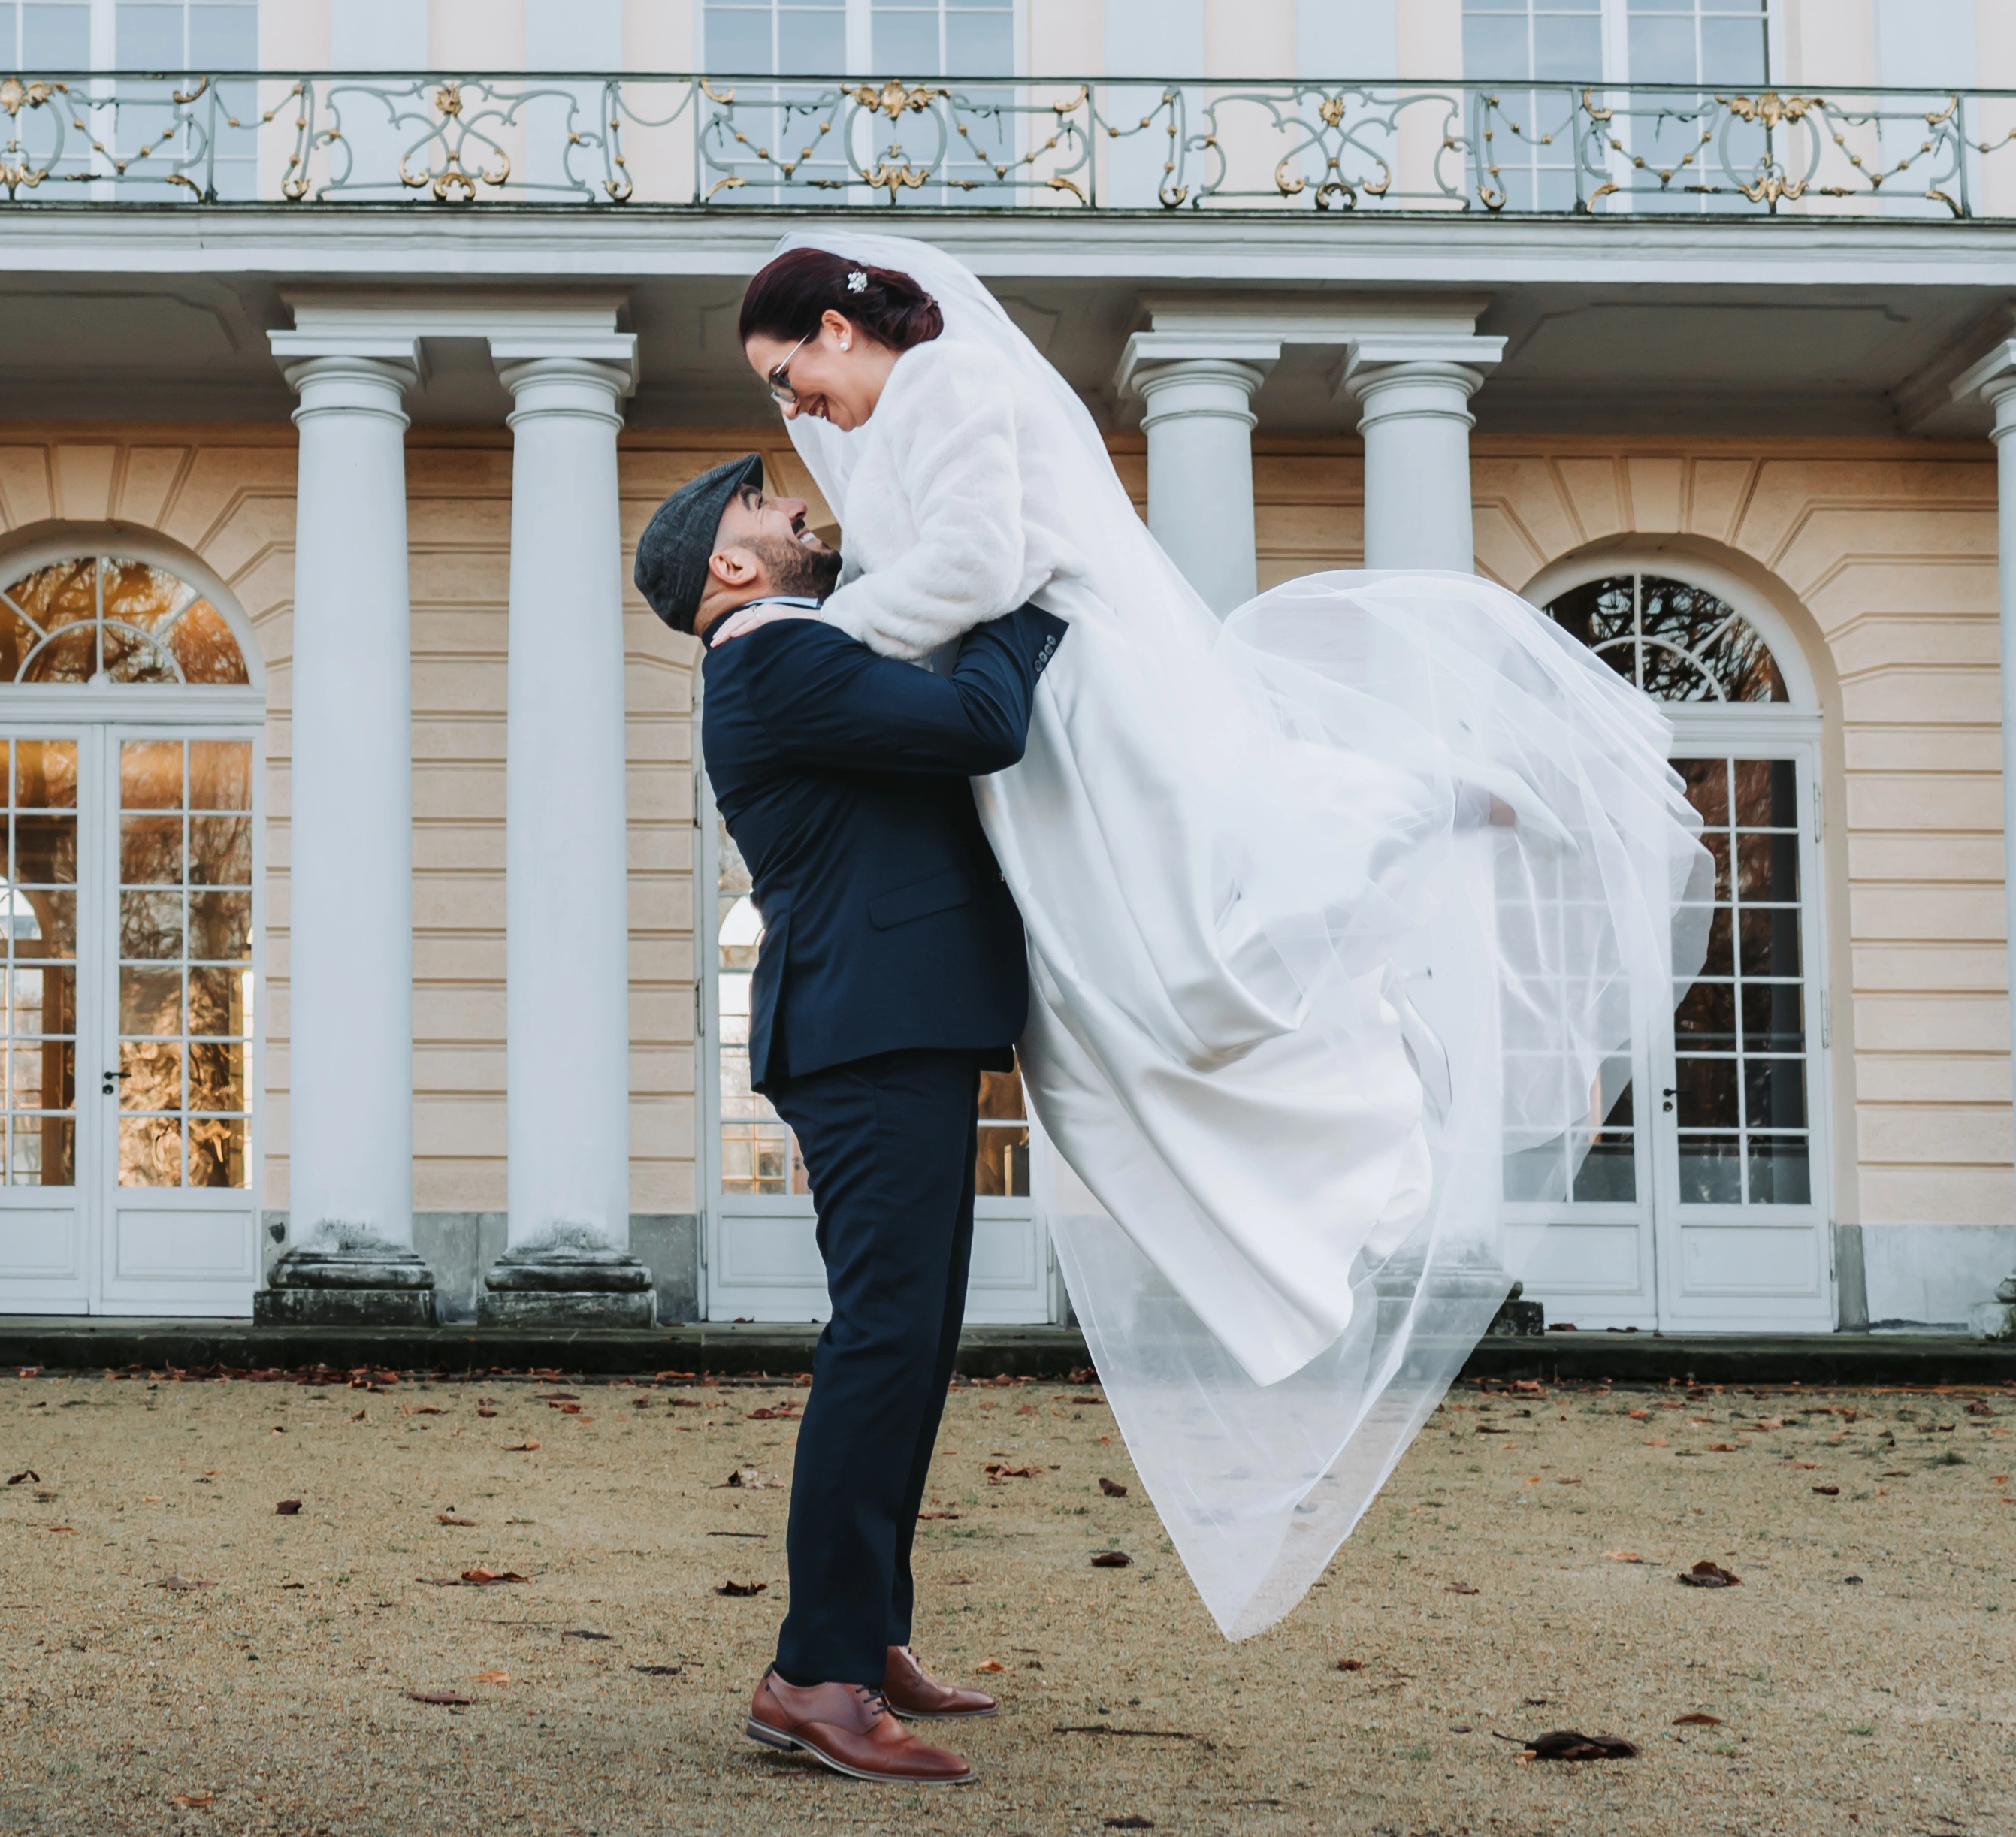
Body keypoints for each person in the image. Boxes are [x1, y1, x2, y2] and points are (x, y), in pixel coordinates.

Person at [733, 234, 1716, 1639]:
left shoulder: (945, 384)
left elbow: (978, 559)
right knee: (1119, 1010)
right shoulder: (890, 424)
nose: (795, 415)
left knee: (1199, 946)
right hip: (1034, 733)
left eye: (791, 378)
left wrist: (831, 637)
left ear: (839, 325)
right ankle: (1317, 1174)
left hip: (1078, 705)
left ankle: (1408, 808)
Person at [632, 446, 1065, 1788]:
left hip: (902, 1021)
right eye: (772, 503)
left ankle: (869, 1634)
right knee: (880, 1340)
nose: (802, 509)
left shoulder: (794, 654)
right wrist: (1022, 603)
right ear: (730, 559)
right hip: (870, 1030)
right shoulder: (771, 658)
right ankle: (813, 1676)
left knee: (913, 1337)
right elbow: (985, 724)